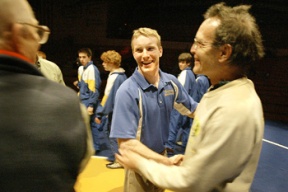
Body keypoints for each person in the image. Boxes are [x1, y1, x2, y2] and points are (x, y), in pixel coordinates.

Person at [116, 2, 265, 192]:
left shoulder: (234, 107)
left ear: (224, 52)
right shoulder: (220, 92)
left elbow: (192, 181)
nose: (193, 49)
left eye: (200, 43)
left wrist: (142, 163)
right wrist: (196, 161)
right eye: (139, 50)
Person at [0, 0, 94, 191]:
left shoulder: (54, 70)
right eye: (36, 32)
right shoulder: (68, 106)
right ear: (18, 35)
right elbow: (78, 162)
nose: (38, 40)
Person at [110, 27, 198, 191]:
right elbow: (126, 144)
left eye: (150, 48)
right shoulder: (127, 91)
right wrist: (166, 162)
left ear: (160, 51)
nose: (145, 55)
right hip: (139, 164)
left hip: (161, 159)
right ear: (134, 54)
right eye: (139, 50)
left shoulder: (171, 83)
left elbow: (193, 109)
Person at [95, 50, 127, 169]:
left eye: (105, 62)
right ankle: (122, 159)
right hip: (121, 111)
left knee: (113, 135)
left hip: (115, 112)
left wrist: (100, 113)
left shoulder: (115, 77)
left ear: (112, 62)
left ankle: (119, 161)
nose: (103, 64)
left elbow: (108, 97)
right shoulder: (122, 75)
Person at [166, 52, 197, 155]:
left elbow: (179, 93)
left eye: (183, 62)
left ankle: (169, 150)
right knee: (186, 131)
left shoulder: (185, 73)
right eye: (180, 62)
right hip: (188, 107)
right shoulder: (191, 74)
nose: (181, 64)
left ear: (188, 63)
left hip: (181, 107)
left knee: (173, 129)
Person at [75, 48, 102, 152]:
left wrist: (91, 105)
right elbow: (84, 85)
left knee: (89, 125)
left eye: (84, 57)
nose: (81, 59)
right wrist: (79, 84)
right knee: (89, 125)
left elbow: (94, 90)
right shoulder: (81, 69)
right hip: (82, 99)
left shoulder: (92, 69)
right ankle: (93, 146)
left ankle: (94, 147)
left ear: (89, 57)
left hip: (88, 101)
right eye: (80, 57)